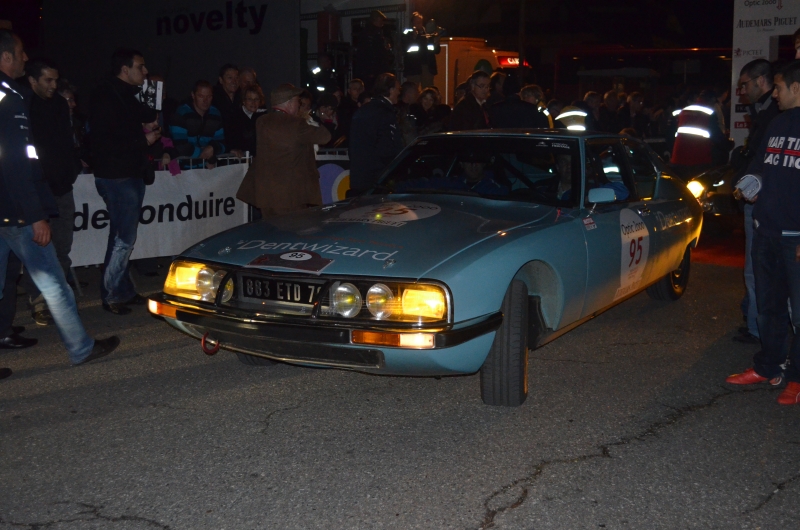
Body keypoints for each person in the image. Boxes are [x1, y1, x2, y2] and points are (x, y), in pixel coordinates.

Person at [0, 30, 119, 364]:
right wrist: (35, 213)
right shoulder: (10, 98)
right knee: (53, 282)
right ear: (6, 57)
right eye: (21, 52)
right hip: (16, 211)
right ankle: (81, 348)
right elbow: (17, 161)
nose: (25, 57)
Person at [725, 60, 800, 406]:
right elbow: (761, 166)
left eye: (780, 87)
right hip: (766, 231)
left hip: (795, 237)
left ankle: (796, 378)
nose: (776, 93)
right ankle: (768, 365)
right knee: (768, 307)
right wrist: (750, 184)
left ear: (796, 88)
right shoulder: (777, 122)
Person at [89, 48, 158, 315]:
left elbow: (145, 115)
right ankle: (112, 294)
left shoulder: (124, 94)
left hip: (128, 173)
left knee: (123, 236)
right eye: (140, 67)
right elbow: (106, 141)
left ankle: (123, 289)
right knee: (123, 238)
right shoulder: (106, 96)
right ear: (125, 69)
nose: (145, 71)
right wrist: (144, 140)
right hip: (117, 176)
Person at [20, 58, 82, 326]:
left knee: (62, 246)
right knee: (38, 249)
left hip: (62, 187)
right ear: (32, 80)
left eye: (56, 80)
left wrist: (71, 169)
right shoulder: (23, 104)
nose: (54, 85)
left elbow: (66, 141)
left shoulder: (58, 104)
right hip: (38, 189)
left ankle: (59, 300)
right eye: (48, 80)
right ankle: (38, 301)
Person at [732, 59, 780, 345]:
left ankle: (759, 329)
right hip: (760, 196)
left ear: (761, 81)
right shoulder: (764, 111)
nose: (742, 91)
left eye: (745, 85)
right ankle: (755, 322)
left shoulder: (775, 114)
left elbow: (766, 160)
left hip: (763, 199)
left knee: (758, 268)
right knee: (757, 267)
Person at [235, 84, 330, 218]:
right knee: (297, 228)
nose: (299, 105)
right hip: (288, 195)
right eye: (298, 101)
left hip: (265, 194)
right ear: (289, 103)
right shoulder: (296, 124)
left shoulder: (261, 121)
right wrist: (324, 119)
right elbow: (325, 137)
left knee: (271, 229)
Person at [348, 73, 403, 194]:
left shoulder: (362, 111)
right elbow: (388, 147)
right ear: (391, 90)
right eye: (398, 89)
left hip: (359, 177)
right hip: (378, 179)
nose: (399, 92)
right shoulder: (385, 112)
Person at [669, 91, 732, 180]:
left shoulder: (684, 110)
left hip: (678, 159)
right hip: (698, 160)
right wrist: (729, 145)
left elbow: (671, 134)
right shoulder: (708, 113)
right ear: (712, 100)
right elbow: (716, 136)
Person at [170, 80, 226, 165]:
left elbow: (222, 143)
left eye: (209, 96)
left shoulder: (215, 114)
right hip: (184, 168)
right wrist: (205, 155)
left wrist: (213, 148)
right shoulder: (181, 113)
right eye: (201, 96)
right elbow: (180, 146)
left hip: (208, 168)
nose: (205, 100)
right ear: (193, 95)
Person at [354, 10, 394, 90]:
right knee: (374, 88)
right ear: (377, 19)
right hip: (373, 68)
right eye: (381, 20)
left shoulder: (376, 32)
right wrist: (371, 70)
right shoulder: (370, 33)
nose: (382, 23)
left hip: (375, 68)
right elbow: (370, 52)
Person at [226, 85, 266, 157]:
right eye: (250, 99)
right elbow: (229, 139)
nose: (253, 103)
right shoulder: (234, 117)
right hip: (241, 159)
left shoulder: (264, 117)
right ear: (244, 101)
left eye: (256, 99)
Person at [403, 12, 439, 89]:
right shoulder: (408, 34)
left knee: (428, 89)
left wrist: (436, 42)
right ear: (412, 23)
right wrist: (414, 38)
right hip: (413, 68)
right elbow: (404, 49)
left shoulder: (428, 34)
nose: (418, 24)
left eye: (420, 22)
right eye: (416, 22)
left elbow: (437, 51)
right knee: (412, 90)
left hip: (427, 67)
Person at [212, 63, 240, 146]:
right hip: (219, 145)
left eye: (236, 78)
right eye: (230, 78)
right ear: (221, 80)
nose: (234, 81)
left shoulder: (243, 98)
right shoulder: (213, 99)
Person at [336, 78, 363, 146]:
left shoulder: (368, 105)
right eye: (355, 89)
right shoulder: (344, 107)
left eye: (360, 89)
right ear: (349, 91)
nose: (358, 91)